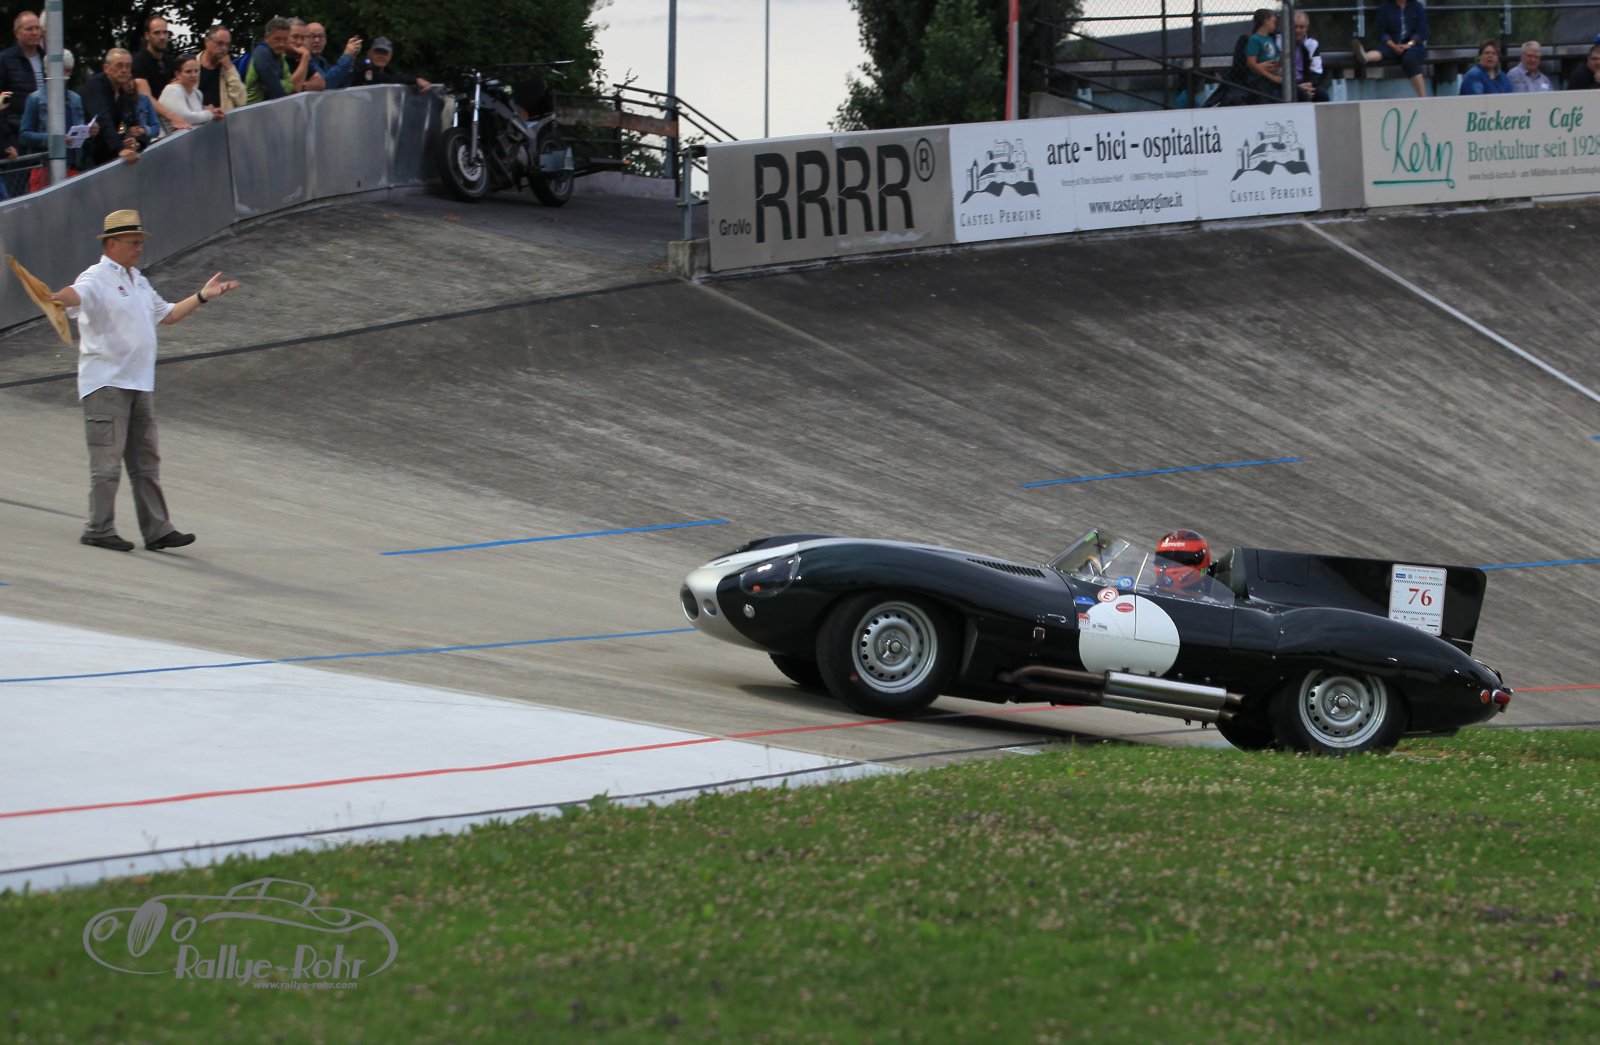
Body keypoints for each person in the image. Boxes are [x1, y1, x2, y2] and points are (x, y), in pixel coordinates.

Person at [48, 210, 240, 553]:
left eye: (140, 242)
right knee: (107, 462)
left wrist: (202, 296)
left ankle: (157, 530)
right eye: (133, 242)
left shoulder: (138, 280)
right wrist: (58, 298)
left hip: (139, 382)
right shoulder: (96, 277)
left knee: (146, 462)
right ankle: (99, 528)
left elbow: (168, 315)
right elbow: (76, 295)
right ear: (112, 244)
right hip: (106, 382)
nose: (139, 248)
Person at [20, 47, 84, 189]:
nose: (66, 74)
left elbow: (80, 131)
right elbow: (24, 135)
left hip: (72, 167)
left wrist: (90, 131)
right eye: (63, 70)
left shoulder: (75, 99)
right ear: (48, 70)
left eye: (68, 70)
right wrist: (54, 140)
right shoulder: (35, 99)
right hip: (44, 169)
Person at [79, 48, 147, 168]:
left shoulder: (124, 97)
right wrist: (120, 148)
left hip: (108, 157)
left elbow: (126, 125)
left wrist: (133, 141)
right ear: (106, 68)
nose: (124, 70)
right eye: (119, 65)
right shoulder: (95, 85)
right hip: (87, 157)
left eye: (128, 66)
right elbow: (102, 118)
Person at [1353, 0, 1429, 97]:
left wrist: (1408, 44)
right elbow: (1381, 32)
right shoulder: (1385, 7)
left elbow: (1422, 32)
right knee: (1381, 51)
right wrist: (1394, 46)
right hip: (1392, 43)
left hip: (1413, 46)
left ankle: (1423, 98)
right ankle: (1365, 56)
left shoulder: (1417, 7)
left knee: (1410, 60)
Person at [130, 12, 189, 134]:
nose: (162, 37)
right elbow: (146, 97)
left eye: (165, 32)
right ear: (147, 35)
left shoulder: (169, 60)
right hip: (149, 125)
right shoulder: (139, 61)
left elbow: (179, 87)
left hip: (169, 123)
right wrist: (173, 117)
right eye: (157, 33)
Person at [0, 9, 45, 143]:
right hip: (17, 131)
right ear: (17, 33)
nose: (34, 33)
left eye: (37, 28)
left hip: (44, 129)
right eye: (29, 29)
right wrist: (7, 135)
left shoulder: (47, 58)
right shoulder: (5, 60)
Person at [245, 16, 310, 104]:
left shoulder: (280, 55)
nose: (281, 44)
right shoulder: (262, 55)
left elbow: (293, 87)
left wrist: (283, 84)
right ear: (266, 38)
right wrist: (285, 84)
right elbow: (279, 94)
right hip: (252, 109)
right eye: (277, 39)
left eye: (285, 39)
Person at [158, 54, 219, 135]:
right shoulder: (173, 90)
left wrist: (213, 112)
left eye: (196, 71)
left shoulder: (198, 93)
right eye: (188, 71)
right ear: (177, 74)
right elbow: (186, 118)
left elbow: (198, 119)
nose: (194, 75)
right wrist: (210, 114)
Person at [197, 25, 246, 112]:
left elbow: (241, 101)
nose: (224, 48)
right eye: (219, 43)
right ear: (206, 42)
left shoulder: (228, 69)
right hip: (198, 118)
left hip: (224, 118)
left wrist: (230, 69)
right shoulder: (192, 66)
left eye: (227, 45)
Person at [1282, 11, 1329, 102]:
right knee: (1301, 94)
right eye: (1295, 26)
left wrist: (1309, 85)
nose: (1297, 30)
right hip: (1284, 83)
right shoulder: (1279, 41)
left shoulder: (1312, 44)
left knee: (1322, 94)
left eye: (1301, 27)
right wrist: (1296, 86)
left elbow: (1316, 70)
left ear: (1307, 27)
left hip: (1305, 82)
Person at [353, 37, 431, 91]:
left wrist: (417, 80)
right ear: (369, 53)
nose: (381, 56)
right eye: (378, 52)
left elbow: (396, 76)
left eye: (385, 53)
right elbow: (384, 78)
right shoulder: (362, 66)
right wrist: (415, 80)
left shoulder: (389, 71)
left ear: (390, 56)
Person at [305, 22, 361, 90]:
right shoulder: (303, 60)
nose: (317, 40)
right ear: (304, 39)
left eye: (321, 36)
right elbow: (326, 84)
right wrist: (347, 56)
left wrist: (352, 57)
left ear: (325, 40)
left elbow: (341, 84)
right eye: (312, 36)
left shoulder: (322, 61)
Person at [1243, 9, 1284, 101]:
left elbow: (1276, 60)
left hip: (1273, 76)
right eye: (1273, 22)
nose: (1275, 25)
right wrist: (1273, 77)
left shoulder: (1270, 39)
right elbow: (1251, 63)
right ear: (1266, 21)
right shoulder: (1254, 39)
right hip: (1260, 80)